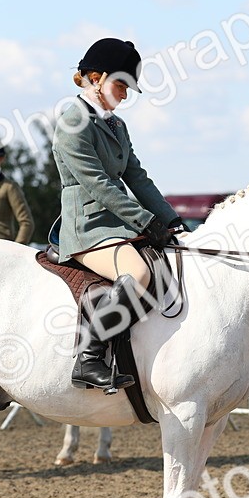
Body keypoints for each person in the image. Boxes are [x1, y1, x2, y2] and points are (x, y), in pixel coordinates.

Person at [50, 37, 183, 391]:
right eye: (120, 84)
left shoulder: (116, 126)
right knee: (137, 273)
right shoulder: (72, 124)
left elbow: (136, 176)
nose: (125, 95)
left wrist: (170, 220)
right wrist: (145, 221)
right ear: (95, 78)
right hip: (88, 228)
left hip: (118, 225)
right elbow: (98, 186)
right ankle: (89, 357)